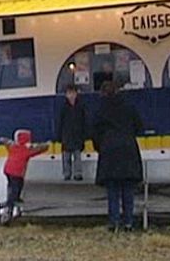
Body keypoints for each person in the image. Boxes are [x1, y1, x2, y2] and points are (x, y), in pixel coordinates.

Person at [93, 81, 143, 232]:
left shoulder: (101, 109)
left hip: (109, 150)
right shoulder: (129, 107)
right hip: (128, 150)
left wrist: (101, 146)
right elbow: (139, 127)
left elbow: (94, 131)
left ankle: (114, 222)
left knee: (113, 191)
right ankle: (128, 222)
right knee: (128, 190)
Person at [0, 130, 49, 214]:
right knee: (16, 187)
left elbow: (6, 142)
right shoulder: (26, 150)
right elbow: (39, 149)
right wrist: (46, 145)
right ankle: (10, 205)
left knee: (12, 185)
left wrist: (5, 140)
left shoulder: (14, 147)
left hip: (8, 170)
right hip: (16, 172)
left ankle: (13, 199)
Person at [57, 85, 86, 181]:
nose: (71, 95)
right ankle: (67, 174)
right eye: (69, 93)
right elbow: (60, 122)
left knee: (77, 156)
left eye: (73, 93)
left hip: (77, 134)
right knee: (66, 157)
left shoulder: (80, 107)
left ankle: (78, 173)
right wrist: (59, 135)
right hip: (66, 135)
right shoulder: (63, 108)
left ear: (76, 94)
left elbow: (84, 121)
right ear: (66, 95)